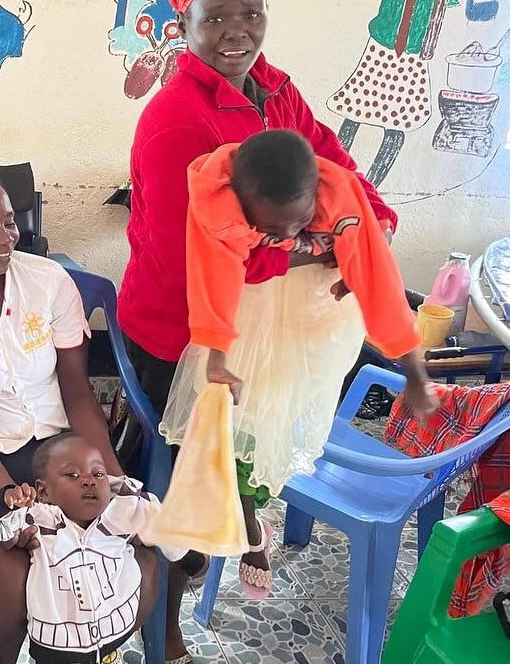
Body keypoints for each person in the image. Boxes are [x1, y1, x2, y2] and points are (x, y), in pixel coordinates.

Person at [116, 0, 396, 644]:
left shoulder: (273, 90)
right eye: (215, 17)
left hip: (259, 315)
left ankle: (247, 508)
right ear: (184, 22)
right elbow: (198, 256)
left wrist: (370, 220)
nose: (235, 31)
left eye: (251, 13)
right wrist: (318, 248)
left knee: (254, 445)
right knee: (185, 484)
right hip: (184, 328)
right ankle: (165, 622)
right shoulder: (177, 119)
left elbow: (333, 164)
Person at [0, 164, 192, 664]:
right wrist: (10, 494)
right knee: (7, 585)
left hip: (67, 447)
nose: (6, 237)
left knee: (137, 555)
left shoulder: (48, 281)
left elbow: (77, 391)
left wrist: (113, 478)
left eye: (10, 222)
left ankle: (100, 648)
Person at [159, 130, 438, 595]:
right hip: (249, 315)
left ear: (316, 195)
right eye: (272, 230)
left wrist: (415, 374)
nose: (289, 237)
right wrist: (217, 358)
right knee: (233, 427)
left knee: (279, 428)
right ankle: (247, 527)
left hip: (316, 324)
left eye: (301, 221)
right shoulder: (216, 203)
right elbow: (215, 279)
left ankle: (253, 521)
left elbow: (380, 284)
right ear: (244, 207)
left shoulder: (341, 196)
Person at [0, 433, 187, 664]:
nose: (89, 481)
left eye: (98, 473)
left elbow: (162, 524)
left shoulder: (121, 510)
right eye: (73, 475)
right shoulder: (39, 519)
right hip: (56, 643)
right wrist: (3, 500)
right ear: (44, 492)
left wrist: (188, 556)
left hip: (114, 628)